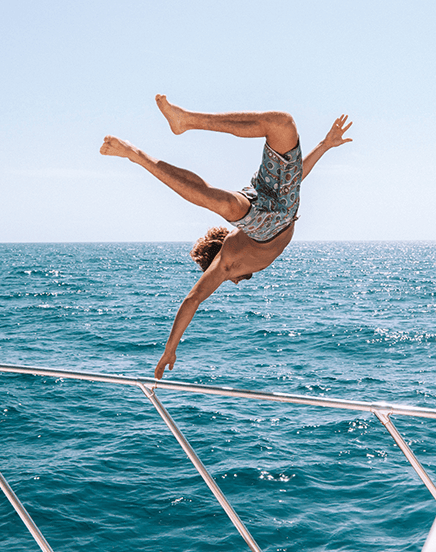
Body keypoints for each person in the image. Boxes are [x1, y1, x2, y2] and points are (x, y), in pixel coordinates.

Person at [100, 96, 352, 379]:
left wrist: (170, 349)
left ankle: (181, 123)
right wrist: (324, 146)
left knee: (230, 189)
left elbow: (192, 300)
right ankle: (156, 141)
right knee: (283, 124)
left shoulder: (226, 261)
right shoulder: (231, 260)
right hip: (278, 208)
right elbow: (294, 179)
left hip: (266, 205)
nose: (233, 282)